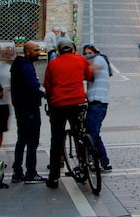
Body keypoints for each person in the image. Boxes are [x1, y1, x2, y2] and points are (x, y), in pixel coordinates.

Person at [43, 37, 93, 189]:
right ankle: (84, 161)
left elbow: (48, 86)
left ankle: (53, 177)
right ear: (72, 49)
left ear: (58, 51)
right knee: (79, 132)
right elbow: (89, 76)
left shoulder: (52, 64)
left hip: (58, 104)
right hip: (78, 102)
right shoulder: (80, 60)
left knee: (56, 139)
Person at [10, 41, 47, 183]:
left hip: (21, 108)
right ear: (27, 52)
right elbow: (32, 87)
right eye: (36, 50)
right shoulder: (25, 66)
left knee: (22, 140)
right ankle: (30, 172)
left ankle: (17, 171)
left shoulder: (18, 64)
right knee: (32, 141)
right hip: (29, 108)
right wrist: (43, 94)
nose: (39, 53)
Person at [83, 44, 113, 171]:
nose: (88, 55)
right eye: (85, 53)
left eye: (90, 52)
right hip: (94, 101)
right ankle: (104, 162)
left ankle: (91, 161)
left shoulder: (99, 59)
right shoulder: (95, 60)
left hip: (98, 102)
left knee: (92, 134)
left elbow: (90, 70)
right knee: (94, 132)